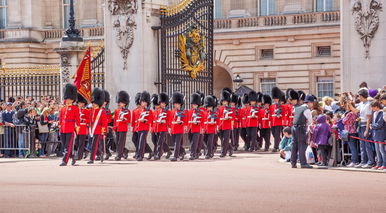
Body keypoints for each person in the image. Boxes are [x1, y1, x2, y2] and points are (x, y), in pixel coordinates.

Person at [58, 84, 80, 166]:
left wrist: (77, 127)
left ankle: (65, 161)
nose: (67, 100)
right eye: (67, 98)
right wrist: (60, 125)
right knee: (64, 145)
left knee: (67, 145)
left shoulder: (75, 108)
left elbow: (77, 118)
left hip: (70, 128)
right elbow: (60, 118)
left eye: (69, 98)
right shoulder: (63, 108)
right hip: (63, 128)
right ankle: (72, 156)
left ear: (72, 100)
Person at [290, 94, 314, 169]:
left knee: (294, 145)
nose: (312, 105)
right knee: (302, 145)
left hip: (294, 127)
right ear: (309, 102)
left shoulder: (297, 108)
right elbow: (310, 121)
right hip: (301, 128)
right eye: (312, 103)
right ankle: (303, 163)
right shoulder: (307, 110)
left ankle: (293, 162)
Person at [354, 88, 375, 168]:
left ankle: (370, 162)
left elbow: (369, 118)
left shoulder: (368, 104)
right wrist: (349, 103)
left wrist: (367, 130)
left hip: (366, 125)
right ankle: (363, 161)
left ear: (362, 96)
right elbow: (355, 111)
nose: (358, 97)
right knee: (362, 145)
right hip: (360, 125)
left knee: (367, 145)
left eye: (359, 96)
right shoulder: (361, 104)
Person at [88, 88, 108, 164]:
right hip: (91, 130)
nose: (93, 104)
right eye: (93, 102)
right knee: (90, 144)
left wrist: (103, 132)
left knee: (94, 145)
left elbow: (104, 122)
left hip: (97, 130)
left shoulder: (101, 111)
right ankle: (100, 153)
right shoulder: (91, 110)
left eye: (95, 103)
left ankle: (91, 159)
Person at [153, 93, 172, 160]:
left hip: (163, 128)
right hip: (157, 128)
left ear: (166, 103)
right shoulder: (157, 111)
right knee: (161, 141)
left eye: (163, 103)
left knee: (160, 142)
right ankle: (168, 151)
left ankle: (158, 155)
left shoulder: (168, 112)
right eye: (161, 103)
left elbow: (169, 121)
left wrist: (165, 122)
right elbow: (155, 120)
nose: (162, 104)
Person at [113, 91, 131, 161]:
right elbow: (115, 120)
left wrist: (124, 119)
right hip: (117, 128)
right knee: (117, 142)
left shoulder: (127, 111)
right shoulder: (117, 111)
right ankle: (125, 151)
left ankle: (119, 155)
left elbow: (129, 120)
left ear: (124, 103)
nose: (119, 103)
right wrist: (114, 127)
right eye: (119, 102)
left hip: (123, 128)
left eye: (121, 102)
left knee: (120, 142)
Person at [170, 92, 187, 161]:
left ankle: (175, 156)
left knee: (177, 143)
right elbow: (170, 121)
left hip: (179, 129)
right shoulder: (173, 111)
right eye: (175, 103)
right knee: (176, 143)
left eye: (177, 103)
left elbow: (185, 120)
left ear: (180, 104)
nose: (175, 105)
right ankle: (182, 152)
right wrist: (170, 128)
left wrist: (181, 123)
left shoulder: (183, 111)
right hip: (173, 129)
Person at [187, 92, 204, 160]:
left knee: (194, 142)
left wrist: (199, 125)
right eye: (193, 104)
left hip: (197, 129)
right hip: (190, 128)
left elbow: (202, 120)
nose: (194, 105)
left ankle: (192, 154)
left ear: (198, 105)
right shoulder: (190, 111)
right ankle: (197, 152)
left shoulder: (201, 112)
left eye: (195, 104)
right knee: (191, 141)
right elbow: (187, 119)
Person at [342, 99, 359, 167]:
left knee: (352, 148)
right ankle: (355, 160)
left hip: (350, 132)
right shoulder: (355, 113)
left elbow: (343, 121)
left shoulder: (349, 114)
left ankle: (354, 161)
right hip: (354, 131)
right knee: (354, 147)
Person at [217, 88, 234, 157]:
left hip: (227, 126)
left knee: (225, 139)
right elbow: (218, 117)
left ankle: (223, 153)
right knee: (222, 140)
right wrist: (217, 125)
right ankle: (230, 148)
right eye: (223, 101)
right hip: (221, 126)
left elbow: (232, 117)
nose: (225, 103)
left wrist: (228, 118)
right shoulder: (219, 108)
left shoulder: (230, 109)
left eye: (226, 102)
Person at [370, 101, 385, 170]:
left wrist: (372, 126)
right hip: (375, 134)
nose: (371, 108)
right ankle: (379, 164)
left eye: (372, 107)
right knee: (377, 151)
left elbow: (380, 124)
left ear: (376, 107)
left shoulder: (382, 113)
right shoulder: (374, 113)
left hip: (381, 134)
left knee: (382, 150)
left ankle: (384, 164)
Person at [74, 94, 90, 162]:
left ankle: (79, 156)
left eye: (81, 103)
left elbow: (89, 119)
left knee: (81, 143)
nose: (80, 104)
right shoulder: (76, 110)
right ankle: (85, 150)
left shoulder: (86, 110)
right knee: (76, 143)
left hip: (83, 128)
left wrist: (84, 120)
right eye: (79, 103)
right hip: (77, 128)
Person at [270, 87, 285, 152]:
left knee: (276, 134)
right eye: (274, 98)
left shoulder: (281, 106)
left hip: (279, 122)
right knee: (273, 134)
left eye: (276, 98)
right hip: (273, 122)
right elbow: (270, 115)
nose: (275, 100)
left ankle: (276, 147)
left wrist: (280, 115)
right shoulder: (272, 106)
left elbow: (284, 114)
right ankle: (281, 142)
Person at [102, 90, 114, 161]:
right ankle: (106, 153)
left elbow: (109, 120)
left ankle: (106, 153)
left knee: (104, 142)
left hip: (105, 127)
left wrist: (105, 121)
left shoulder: (107, 110)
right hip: (98, 127)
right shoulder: (98, 109)